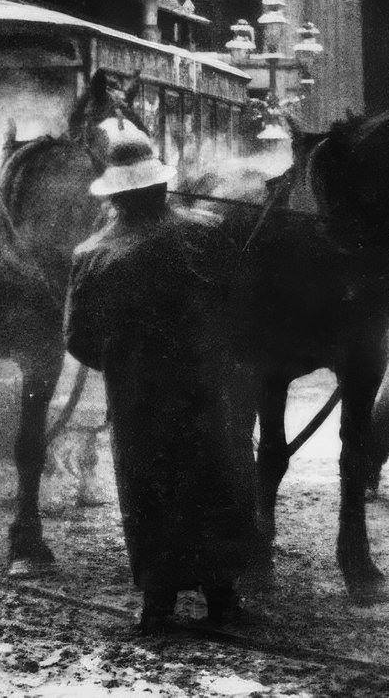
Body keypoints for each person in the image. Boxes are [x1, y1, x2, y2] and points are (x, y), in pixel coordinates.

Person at [64, 120, 259, 633]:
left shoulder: (91, 255)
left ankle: (158, 604)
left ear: (115, 195)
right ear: (159, 184)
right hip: (206, 388)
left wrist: (127, 365)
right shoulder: (206, 233)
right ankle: (222, 599)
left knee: (147, 490)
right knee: (214, 480)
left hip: (136, 398)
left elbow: (77, 338)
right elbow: (243, 308)